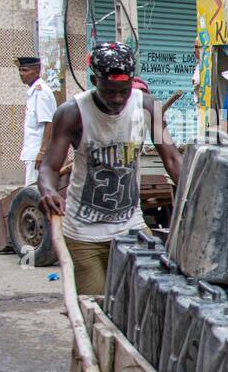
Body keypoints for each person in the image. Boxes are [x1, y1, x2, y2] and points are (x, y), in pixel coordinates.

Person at [37, 42, 181, 295]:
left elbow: (172, 160)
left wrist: (193, 194)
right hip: (83, 232)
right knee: (97, 308)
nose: (117, 99)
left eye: (123, 91)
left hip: (131, 227)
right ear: (94, 80)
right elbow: (49, 167)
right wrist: (48, 190)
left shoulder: (147, 107)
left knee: (144, 304)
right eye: (109, 91)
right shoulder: (72, 113)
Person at [17, 56, 55, 186]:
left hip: (37, 154)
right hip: (32, 152)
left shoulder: (41, 92)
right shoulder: (34, 91)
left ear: (37, 71)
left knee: (34, 192)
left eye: (25, 70)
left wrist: (42, 152)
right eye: (20, 70)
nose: (21, 74)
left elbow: (49, 122)